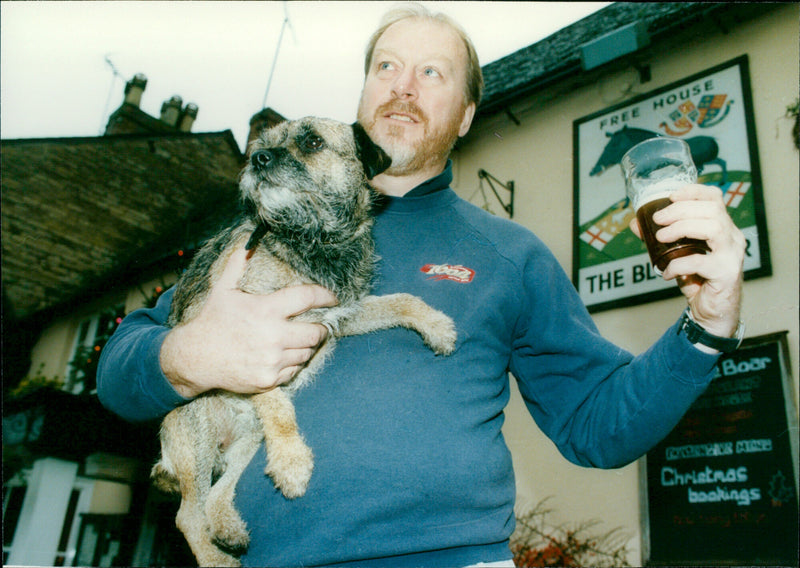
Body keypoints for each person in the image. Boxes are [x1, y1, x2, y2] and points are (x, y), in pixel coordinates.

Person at [97, 4, 745, 567]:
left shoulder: (509, 254)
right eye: (386, 67)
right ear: (360, 93)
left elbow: (599, 425)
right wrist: (186, 358)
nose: (403, 87)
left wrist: (709, 321)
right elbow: (120, 368)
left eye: (431, 73)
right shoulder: (262, 230)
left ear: (465, 114)